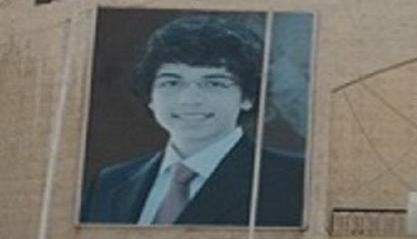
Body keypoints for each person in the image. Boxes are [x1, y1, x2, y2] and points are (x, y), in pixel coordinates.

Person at [82, 15, 303, 226]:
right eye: (171, 83)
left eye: (214, 83)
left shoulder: (294, 179)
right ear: (150, 98)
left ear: (248, 97)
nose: (189, 100)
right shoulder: (111, 183)